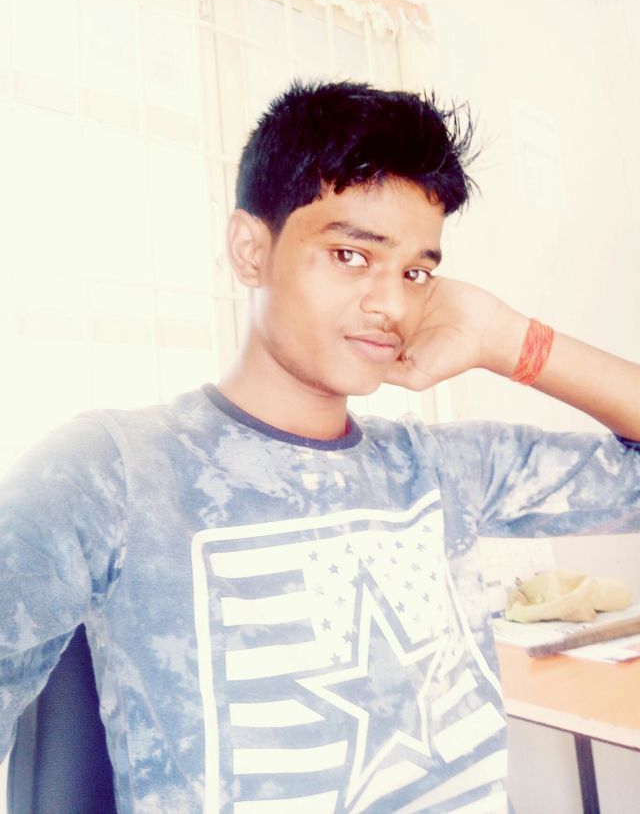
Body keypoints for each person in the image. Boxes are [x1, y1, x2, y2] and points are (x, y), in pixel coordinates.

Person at [1, 80, 639, 814]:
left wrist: (507, 338)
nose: (392, 305)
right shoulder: (108, 471)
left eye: (417, 272)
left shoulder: (444, 466)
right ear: (251, 250)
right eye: (349, 254)